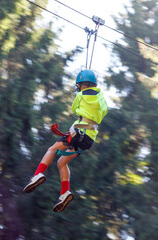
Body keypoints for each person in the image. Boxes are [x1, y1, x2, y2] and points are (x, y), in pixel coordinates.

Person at [23, 69, 108, 213]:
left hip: (79, 129)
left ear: (81, 84)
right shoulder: (102, 99)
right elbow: (103, 112)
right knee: (62, 162)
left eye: (79, 85)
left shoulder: (81, 95)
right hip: (89, 138)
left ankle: (38, 174)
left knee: (52, 149)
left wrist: (81, 98)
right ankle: (64, 193)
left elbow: (75, 108)